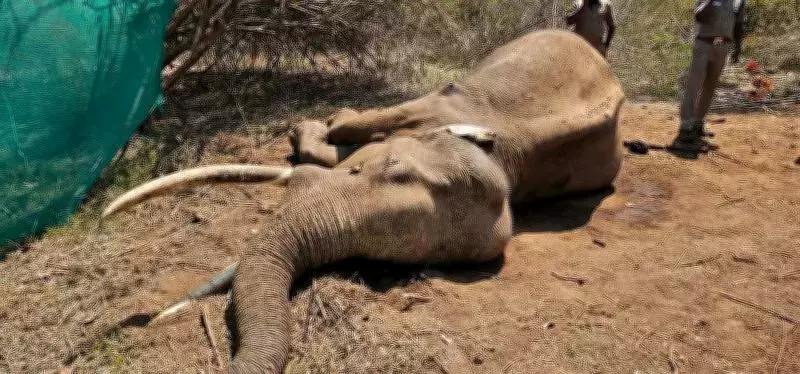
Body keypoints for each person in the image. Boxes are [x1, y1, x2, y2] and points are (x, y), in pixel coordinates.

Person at [672, 0, 746, 155]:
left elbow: (738, 24)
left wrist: (737, 47)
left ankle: (698, 125)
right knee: (693, 86)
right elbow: (699, 16)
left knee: (709, 88)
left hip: (723, 46)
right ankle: (686, 128)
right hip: (704, 44)